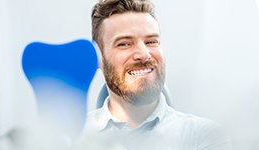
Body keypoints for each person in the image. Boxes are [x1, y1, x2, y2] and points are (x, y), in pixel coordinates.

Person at [83, 0, 231, 149]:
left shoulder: (203, 136)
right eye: (124, 43)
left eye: (151, 42)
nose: (144, 54)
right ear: (97, 58)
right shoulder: (74, 137)